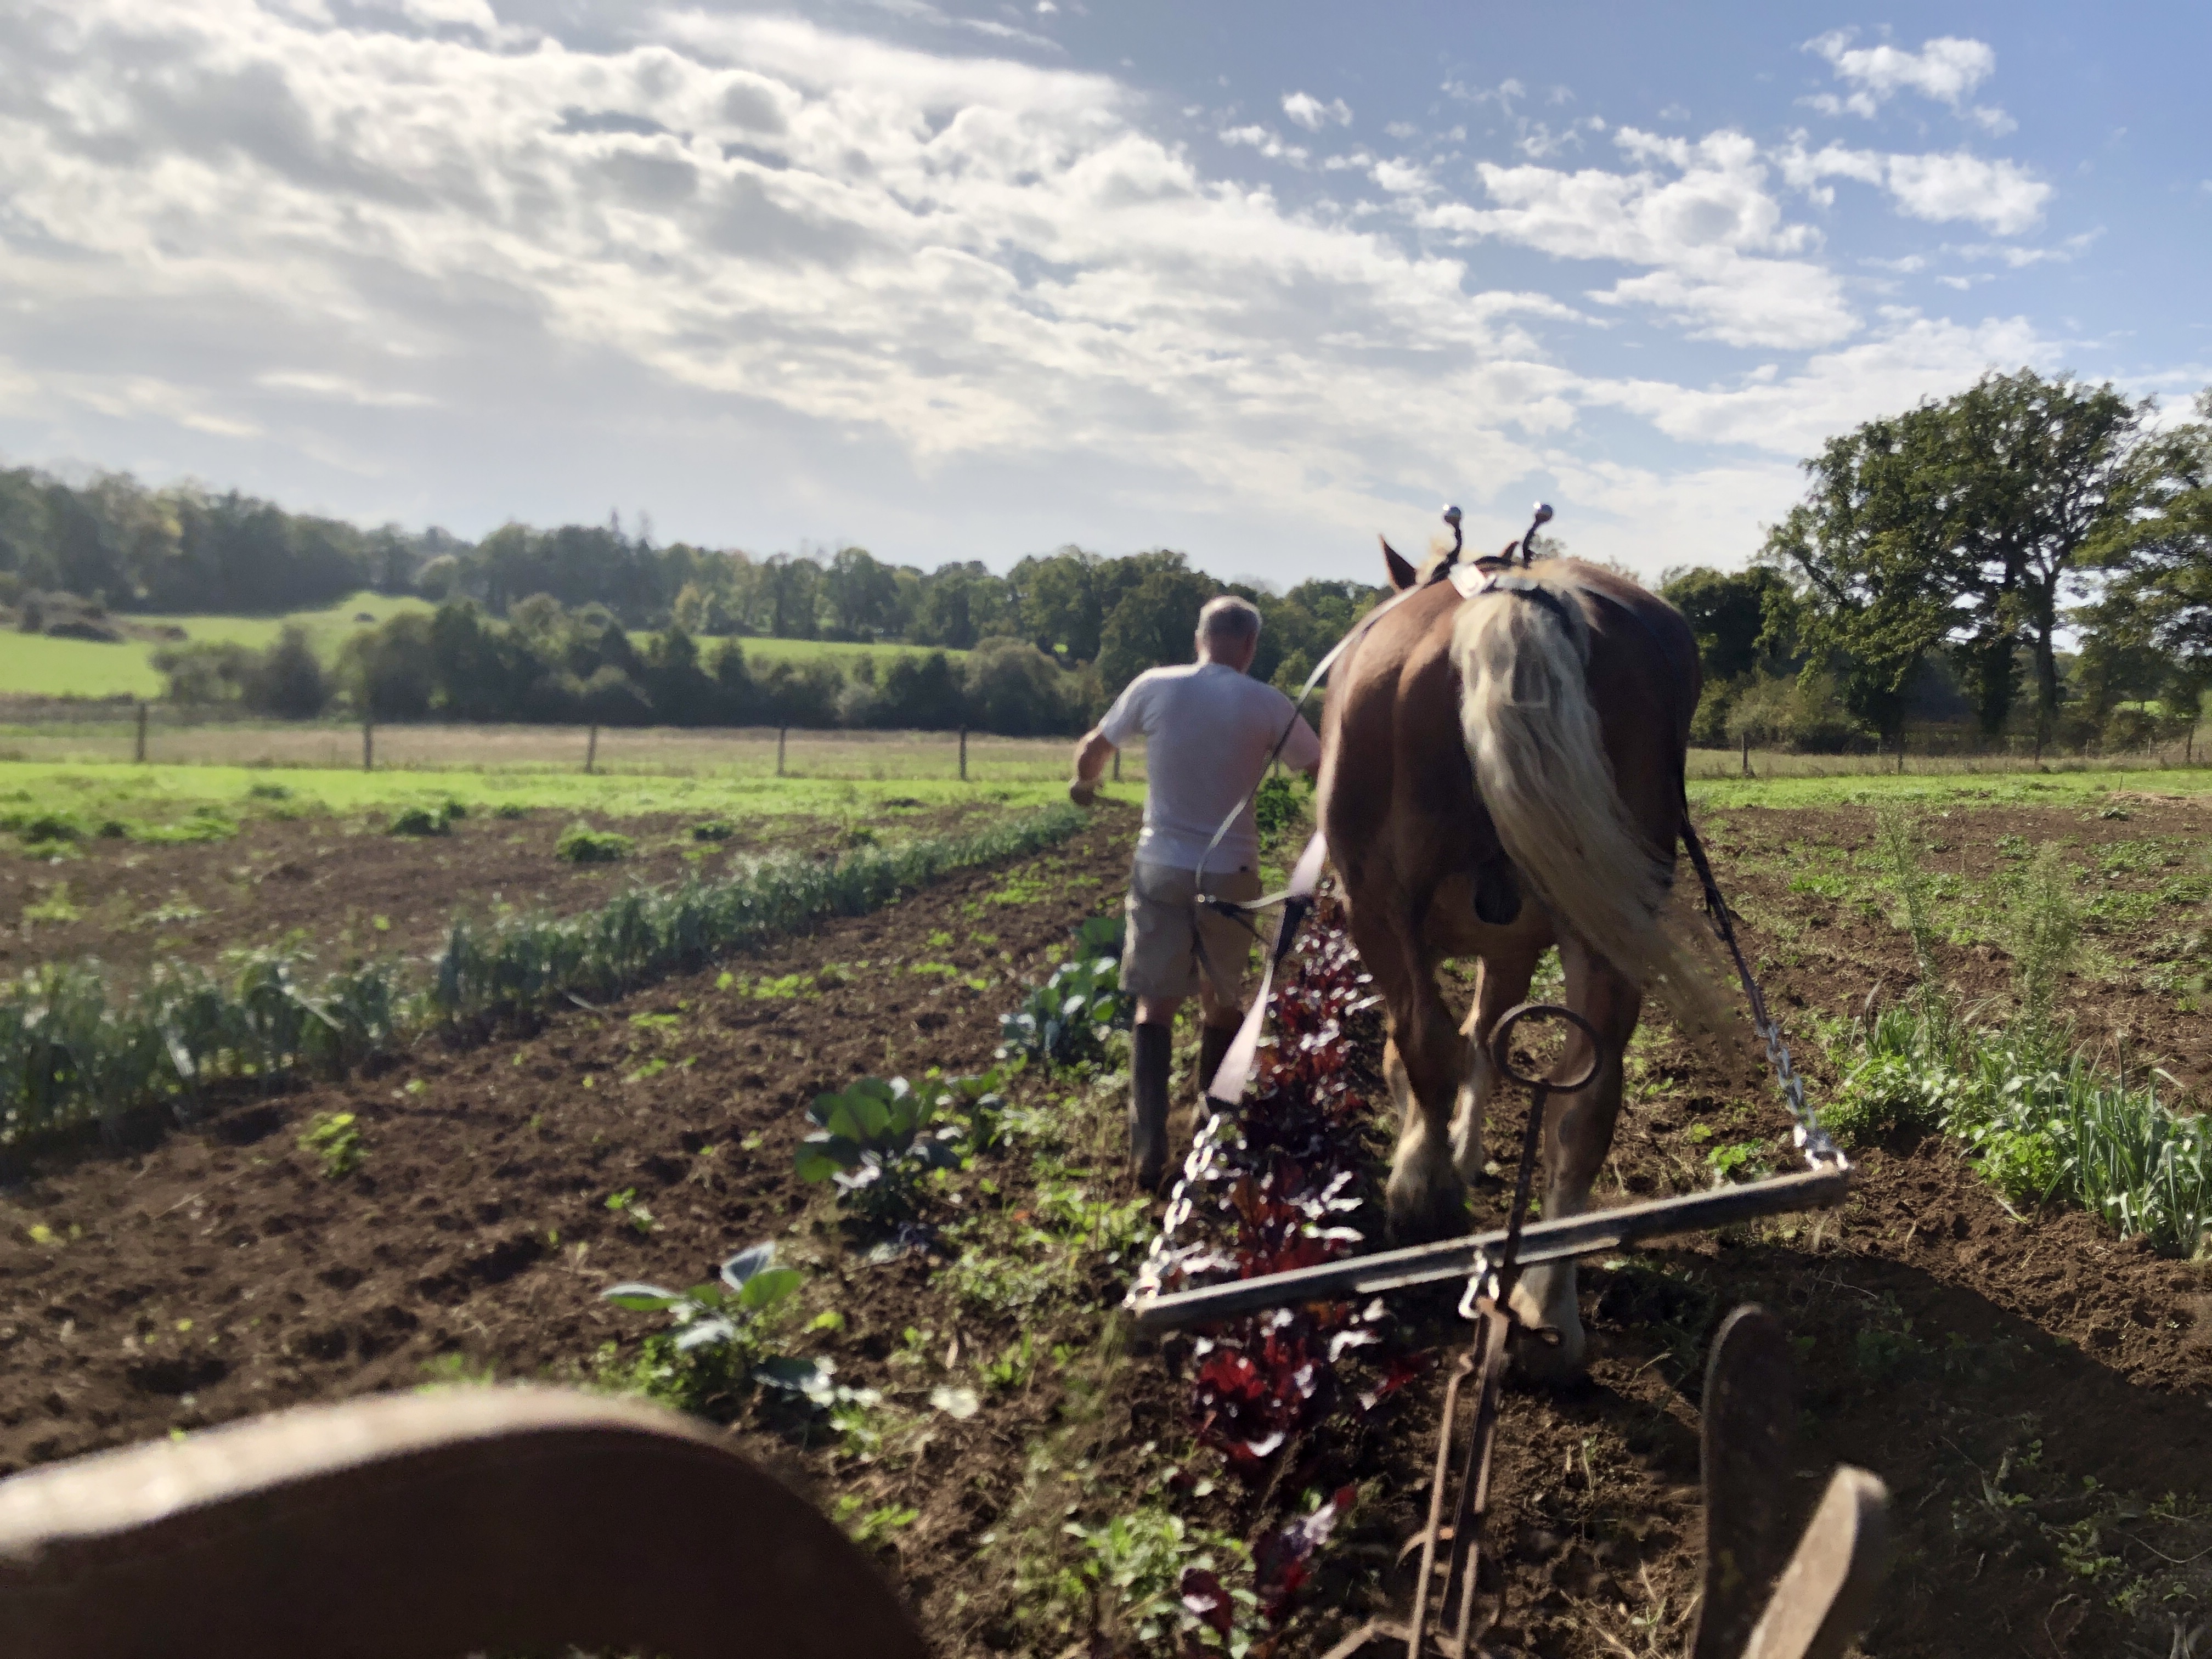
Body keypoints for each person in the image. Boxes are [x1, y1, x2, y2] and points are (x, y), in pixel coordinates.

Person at [1068, 595, 1322, 1189]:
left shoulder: (1155, 685)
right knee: (1222, 1003)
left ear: (1199, 637)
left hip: (1160, 867)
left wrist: (1084, 784)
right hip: (1233, 871)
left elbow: (1091, 751)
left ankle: (1147, 1149)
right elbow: (1319, 768)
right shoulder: (1266, 701)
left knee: (1154, 1006)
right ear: (1250, 646)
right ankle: (1208, 1136)